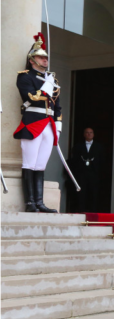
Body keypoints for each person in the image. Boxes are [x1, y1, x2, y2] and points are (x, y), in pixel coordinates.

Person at [14, 33, 61, 213]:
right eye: (41, 57)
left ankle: (40, 202)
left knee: (41, 165)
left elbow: (58, 105)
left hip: (48, 124)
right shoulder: (25, 77)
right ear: (32, 60)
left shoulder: (52, 79)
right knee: (29, 163)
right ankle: (30, 203)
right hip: (32, 122)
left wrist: (58, 124)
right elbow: (31, 98)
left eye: (46, 57)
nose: (45, 60)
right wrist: (47, 86)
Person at [68, 127, 104, 213]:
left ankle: (93, 210)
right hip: (81, 173)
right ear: (84, 134)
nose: (89, 134)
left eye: (91, 132)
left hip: (94, 173)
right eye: (87, 133)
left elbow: (102, 160)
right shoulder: (78, 146)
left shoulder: (99, 147)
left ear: (93, 134)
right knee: (81, 192)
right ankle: (81, 209)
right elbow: (74, 160)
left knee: (93, 192)